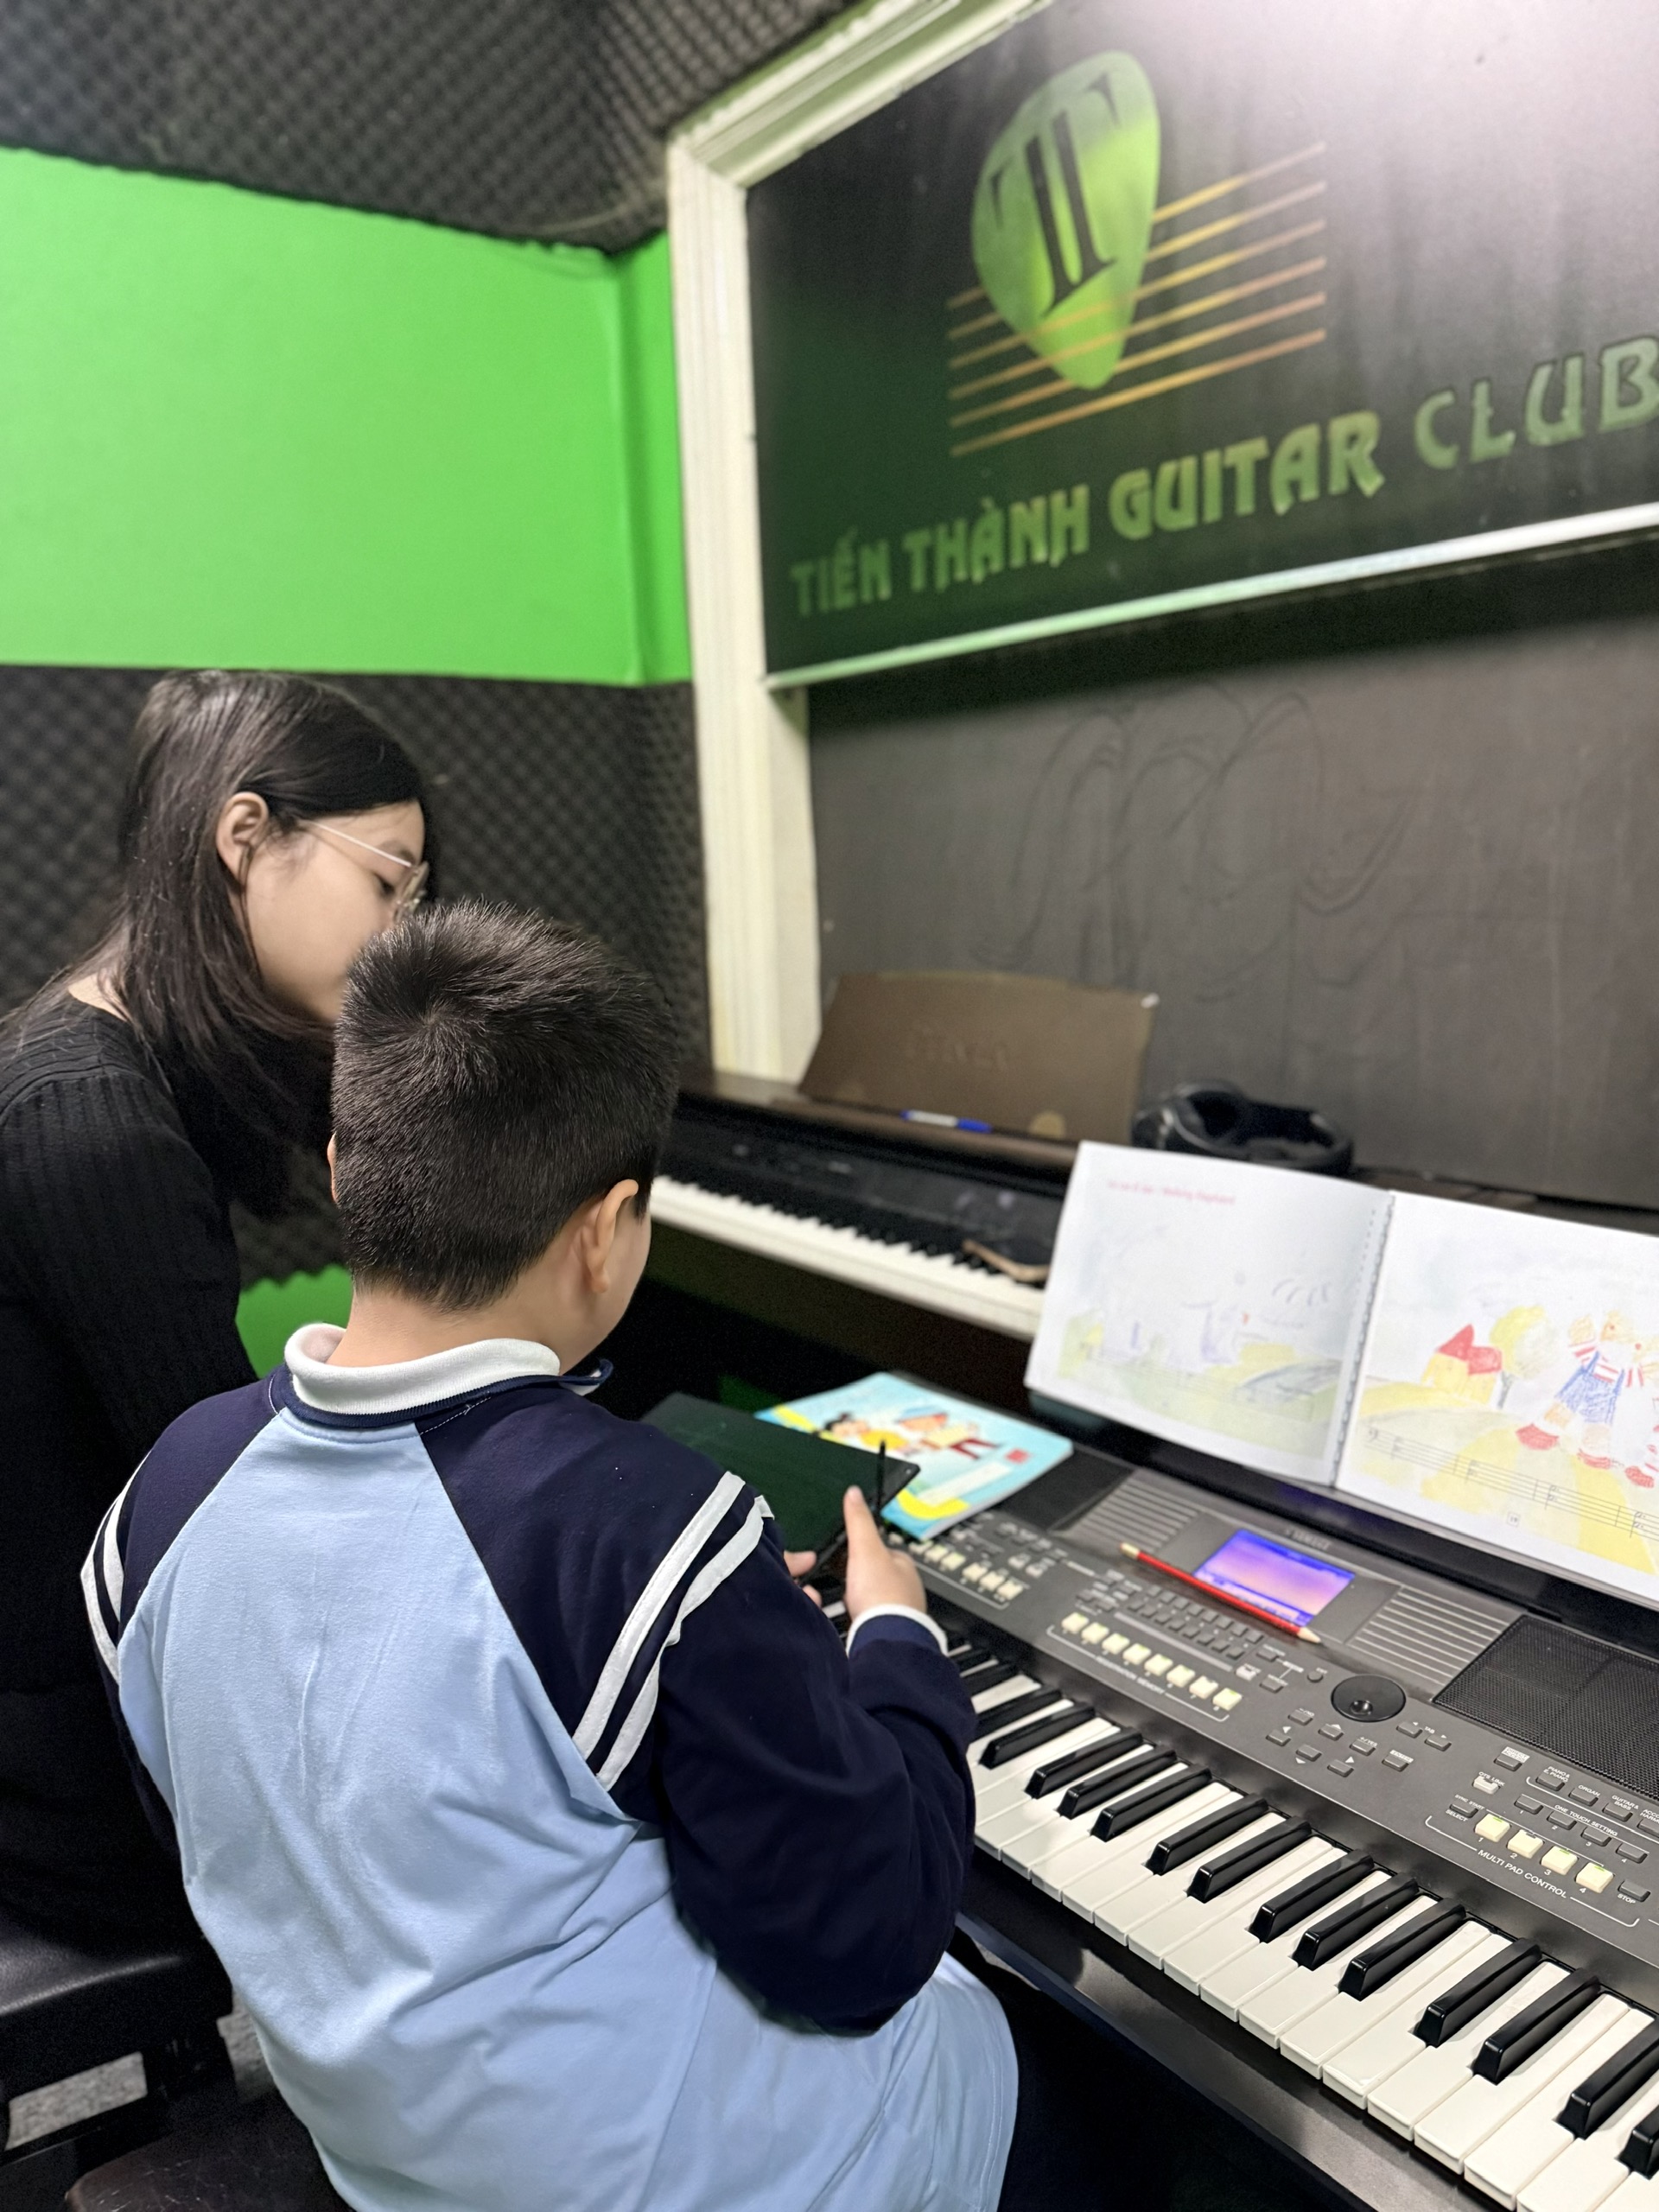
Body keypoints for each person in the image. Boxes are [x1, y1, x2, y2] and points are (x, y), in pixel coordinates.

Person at [83, 900, 1018, 2212]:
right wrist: (896, 1645)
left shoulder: (161, 1498)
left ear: (345, 1166)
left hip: (385, 2151)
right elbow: (860, 1951)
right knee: (1003, 2029)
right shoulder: (655, 1531)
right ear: (605, 1228)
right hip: (671, 2179)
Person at [0, 669, 431, 1943]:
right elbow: (237, 1535)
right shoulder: (96, 1130)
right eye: (389, 884)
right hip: (70, 1778)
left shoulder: (100, 1060)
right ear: (246, 836)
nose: (401, 933)